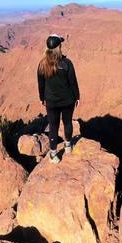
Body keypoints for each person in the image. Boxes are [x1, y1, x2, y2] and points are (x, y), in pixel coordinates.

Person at [37, 33, 80, 164]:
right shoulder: (67, 63)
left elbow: (41, 84)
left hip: (51, 102)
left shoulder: (42, 65)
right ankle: (68, 146)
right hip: (68, 100)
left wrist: (42, 98)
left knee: (53, 126)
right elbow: (73, 82)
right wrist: (77, 97)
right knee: (67, 122)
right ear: (58, 47)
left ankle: (53, 154)